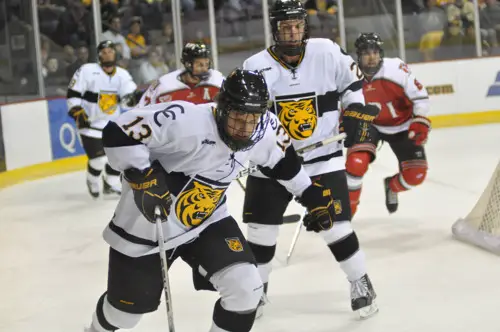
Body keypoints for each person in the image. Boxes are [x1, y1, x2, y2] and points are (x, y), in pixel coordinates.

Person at [84, 69, 343, 332]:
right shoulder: (187, 120)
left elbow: (283, 162)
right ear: (222, 108)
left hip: (208, 221)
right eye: (238, 117)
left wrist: (310, 194)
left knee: (247, 289)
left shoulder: (264, 128)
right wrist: (143, 177)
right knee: (124, 315)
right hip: (148, 227)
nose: (244, 128)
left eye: (252, 118)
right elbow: (118, 131)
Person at [241, 0, 379, 319]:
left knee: (336, 225)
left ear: (305, 26)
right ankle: (255, 290)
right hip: (273, 163)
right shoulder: (255, 65)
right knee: (261, 231)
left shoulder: (328, 51)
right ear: (274, 29)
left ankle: (360, 282)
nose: (292, 32)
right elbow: (247, 115)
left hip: (322, 157)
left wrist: (355, 110)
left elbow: (353, 85)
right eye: (285, 27)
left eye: (297, 26)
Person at [346, 32, 431, 216]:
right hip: (370, 124)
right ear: (358, 55)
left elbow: (421, 99)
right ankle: (347, 210)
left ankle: (392, 187)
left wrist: (420, 121)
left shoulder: (396, 69)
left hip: (403, 125)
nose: (371, 57)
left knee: (415, 175)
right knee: (356, 162)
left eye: (375, 52)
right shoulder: (349, 74)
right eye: (367, 53)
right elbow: (342, 105)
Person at [67, 40, 142, 198]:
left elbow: (129, 98)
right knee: (99, 160)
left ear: (115, 54)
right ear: (99, 55)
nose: (108, 54)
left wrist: (134, 98)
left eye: (110, 51)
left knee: (117, 157)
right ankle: (92, 180)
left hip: (111, 124)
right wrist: (77, 111)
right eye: (104, 52)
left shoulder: (122, 74)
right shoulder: (87, 70)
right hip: (90, 124)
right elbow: (73, 93)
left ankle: (110, 183)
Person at [138, 42, 224, 106]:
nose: (205, 69)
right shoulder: (163, 85)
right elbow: (141, 111)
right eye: (200, 65)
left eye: (207, 64)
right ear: (188, 64)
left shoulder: (218, 80)